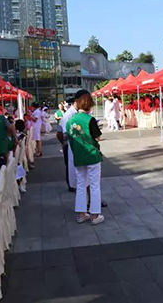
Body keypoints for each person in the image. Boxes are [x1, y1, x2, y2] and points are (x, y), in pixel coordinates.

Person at [66, 93, 104, 225]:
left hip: (78, 156)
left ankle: (81, 214)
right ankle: (94, 215)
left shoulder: (70, 120)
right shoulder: (90, 119)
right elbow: (98, 137)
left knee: (81, 185)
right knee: (94, 185)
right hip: (92, 155)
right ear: (89, 105)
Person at [58, 96, 78, 191]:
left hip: (69, 143)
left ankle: (72, 183)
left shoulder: (69, 114)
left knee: (70, 164)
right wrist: (64, 142)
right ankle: (71, 184)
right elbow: (62, 133)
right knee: (70, 164)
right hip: (69, 143)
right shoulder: (69, 115)